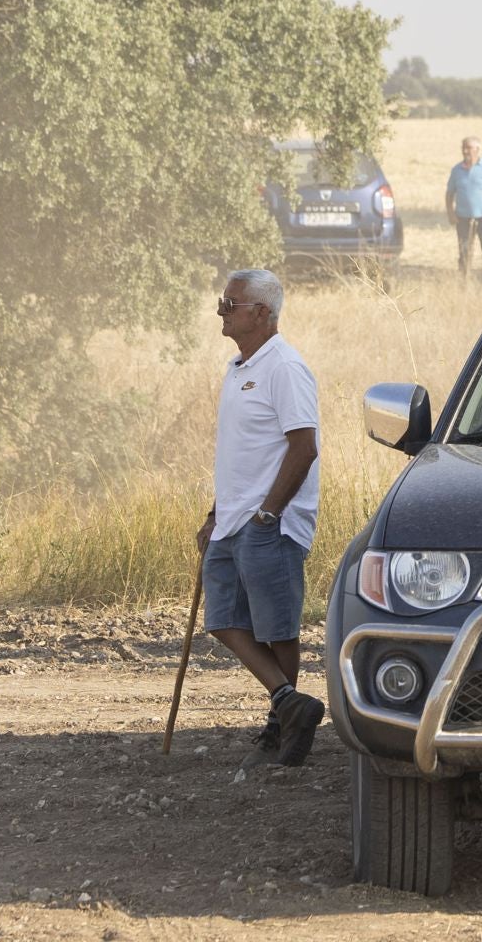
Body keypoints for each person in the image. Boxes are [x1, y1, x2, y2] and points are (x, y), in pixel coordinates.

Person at [198, 269, 325, 766]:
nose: (221, 310)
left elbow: (304, 447)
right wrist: (215, 512)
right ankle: (289, 703)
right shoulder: (237, 368)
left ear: (262, 313)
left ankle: (284, 726)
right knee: (222, 619)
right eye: (223, 301)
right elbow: (241, 452)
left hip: (270, 522)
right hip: (233, 519)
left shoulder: (285, 368)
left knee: (277, 628)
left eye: (231, 303)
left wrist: (269, 514)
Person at [445, 135, 482, 276]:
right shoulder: (457, 170)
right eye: (463, 148)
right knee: (464, 252)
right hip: (463, 219)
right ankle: (464, 280)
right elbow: (449, 194)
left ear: (477, 149)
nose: (465, 151)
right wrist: (450, 213)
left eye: (469, 148)